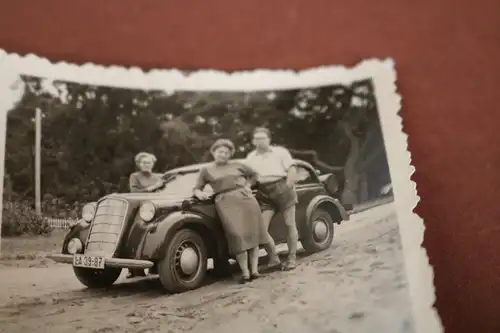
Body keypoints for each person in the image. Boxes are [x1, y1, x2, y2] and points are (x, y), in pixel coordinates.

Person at [193, 139, 267, 284]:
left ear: (230, 154)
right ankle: (245, 272)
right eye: (220, 152)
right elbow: (197, 187)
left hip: (246, 199)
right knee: (236, 235)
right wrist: (199, 194)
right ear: (213, 152)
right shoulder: (206, 170)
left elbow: (254, 175)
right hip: (225, 203)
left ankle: (255, 271)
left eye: (227, 153)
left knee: (251, 234)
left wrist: (248, 185)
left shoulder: (238, 165)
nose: (223, 155)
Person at [245, 127, 299, 271]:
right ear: (253, 141)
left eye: (263, 138)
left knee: (289, 224)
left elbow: (292, 169)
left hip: (282, 187)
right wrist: (246, 187)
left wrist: (288, 186)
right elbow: (251, 178)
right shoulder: (251, 157)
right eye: (257, 139)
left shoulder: (280, 152)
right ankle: (274, 258)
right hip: (263, 191)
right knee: (262, 229)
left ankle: (292, 258)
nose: (260, 141)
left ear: (269, 139)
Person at [127, 152, 164, 278]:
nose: (146, 165)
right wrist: (153, 188)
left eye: (149, 162)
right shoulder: (135, 176)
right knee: (135, 234)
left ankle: (155, 265)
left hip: (155, 208)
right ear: (139, 164)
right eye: (144, 163)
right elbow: (134, 191)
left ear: (153, 164)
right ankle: (133, 269)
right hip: (139, 208)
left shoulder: (159, 177)